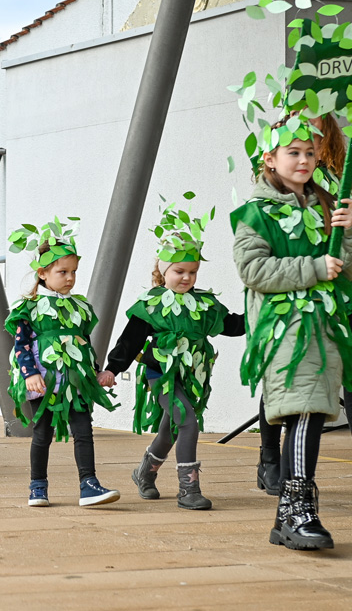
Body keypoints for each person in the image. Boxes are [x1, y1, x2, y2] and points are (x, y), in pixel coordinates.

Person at [232, 118, 352, 551]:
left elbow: (350, 269)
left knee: (311, 411)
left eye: (310, 152)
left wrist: (351, 231)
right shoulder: (255, 213)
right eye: (293, 152)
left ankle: (287, 517)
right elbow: (253, 269)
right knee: (305, 411)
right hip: (283, 329)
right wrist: (312, 268)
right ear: (270, 159)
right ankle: (298, 510)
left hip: (324, 327)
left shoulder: (324, 203)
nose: (304, 160)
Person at [252, 114, 352, 501]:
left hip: (341, 287)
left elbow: (350, 238)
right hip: (293, 289)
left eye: (315, 134)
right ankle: (270, 459)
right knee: (283, 367)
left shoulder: (348, 174)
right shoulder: (276, 178)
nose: (308, 140)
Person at [105, 195, 244, 510]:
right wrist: (113, 368)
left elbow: (232, 325)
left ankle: (144, 472)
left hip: (192, 375)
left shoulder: (204, 304)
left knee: (170, 429)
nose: (186, 278)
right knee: (188, 422)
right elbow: (130, 340)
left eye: (192, 272)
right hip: (161, 374)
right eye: (179, 271)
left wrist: (260, 314)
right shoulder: (152, 305)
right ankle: (188, 490)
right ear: (163, 270)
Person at [3, 219, 119, 508]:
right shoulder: (29, 307)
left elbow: (83, 344)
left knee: (84, 431)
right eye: (62, 272)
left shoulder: (79, 306)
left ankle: (88, 484)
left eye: (74, 272)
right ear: (42, 273)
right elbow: (21, 344)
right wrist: (29, 373)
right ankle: (37, 486)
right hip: (43, 381)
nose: (70, 278)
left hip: (75, 382)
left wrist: (95, 373)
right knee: (43, 434)